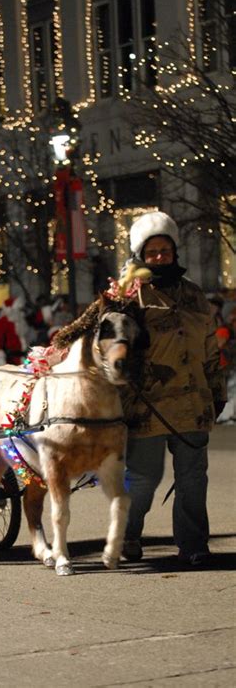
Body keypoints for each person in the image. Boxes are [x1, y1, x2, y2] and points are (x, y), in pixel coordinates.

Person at [119, 211, 226, 566]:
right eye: (153, 252)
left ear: (174, 251)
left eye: (165, 250)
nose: (160, 257)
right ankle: (127, 533)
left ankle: (194, 545)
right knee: (144, 481)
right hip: (148, 406)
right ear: (141, 255)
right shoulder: (129, 297)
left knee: (193, 480)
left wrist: (217, 390)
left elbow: (210, 348)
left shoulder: (195, 296)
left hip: (193, 403)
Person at [0, 295, 32, 365]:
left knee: (28, 373)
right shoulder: (3, 322)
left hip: (24, 359)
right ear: (13, 309)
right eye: (20, 309)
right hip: (11, 360)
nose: (22, 312)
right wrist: (2, 362)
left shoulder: (21, 322)